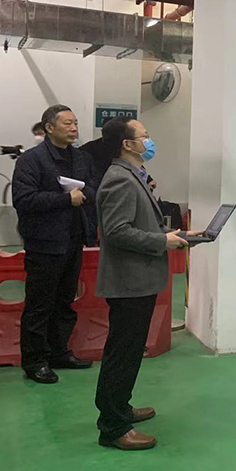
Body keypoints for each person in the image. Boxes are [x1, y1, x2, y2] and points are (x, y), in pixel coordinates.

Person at [94, 117, 189, 451]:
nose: (149, 141)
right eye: (145, 136)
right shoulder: (119, 179)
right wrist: (162, 242)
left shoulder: (133, 174)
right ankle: (113, 427)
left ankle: (120, 407)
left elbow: (136, 223)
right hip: (129, 282)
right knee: (122, 353)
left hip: (138, 280)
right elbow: (117, 231)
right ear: (127, 144)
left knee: (130, 350)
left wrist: (172, 235)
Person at [12, 105, 97, 384]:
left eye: (76, 123)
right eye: (67, 124)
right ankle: (35, 361)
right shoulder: (31, 160)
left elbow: (93, 189)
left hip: (73, 240)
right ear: (49, 128)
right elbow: (23, 200)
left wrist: (84, 193)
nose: (74, 128)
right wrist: (65, 199)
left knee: (64, 301)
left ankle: (59, 352)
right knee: (40, 305)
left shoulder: (82, 158)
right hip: (44, 244)